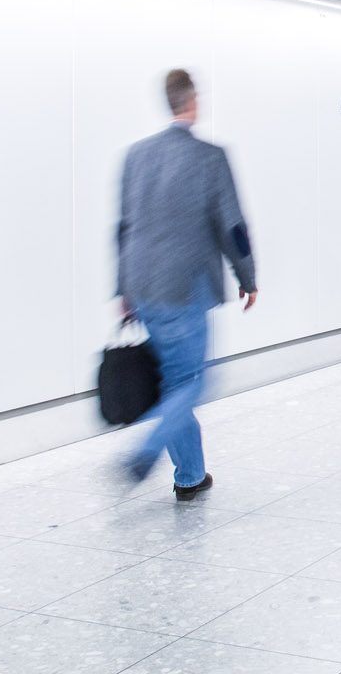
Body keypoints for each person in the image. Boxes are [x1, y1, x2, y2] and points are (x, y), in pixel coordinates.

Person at [116, 69, 255, 501]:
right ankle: (145, 451)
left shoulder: (136, 155)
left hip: (143, 285)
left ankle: (190, 475)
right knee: (194, 382)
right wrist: (248, 277)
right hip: (185, 288)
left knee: (175, 384)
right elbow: (233, 227)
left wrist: (123, 290)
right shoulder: (209, 157)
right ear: (193, 101)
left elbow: (124, 227)